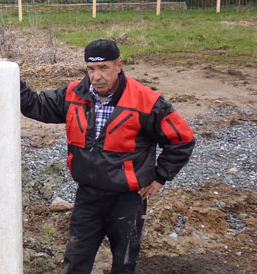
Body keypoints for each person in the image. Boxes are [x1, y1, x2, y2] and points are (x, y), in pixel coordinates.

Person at [20, 39, 195, 273]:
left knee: (124, 265)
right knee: (75, 263)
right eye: (91, 69)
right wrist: (10, 77)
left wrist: (160, 177)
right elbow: (36, 105)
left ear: (119, 65)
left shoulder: (146, 101)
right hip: (88, 197)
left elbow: (182, 139)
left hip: (128, 200)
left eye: (104, 68)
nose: (96, 76)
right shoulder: (73, 94)